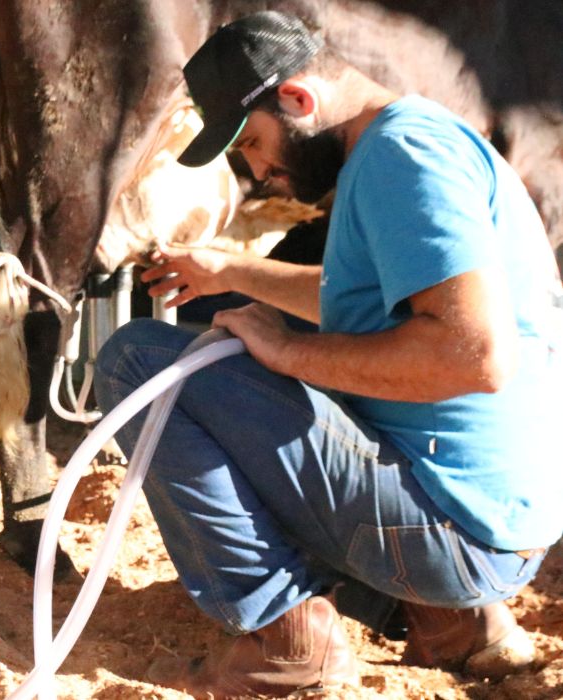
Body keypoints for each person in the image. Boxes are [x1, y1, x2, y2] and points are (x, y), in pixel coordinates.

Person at [94, 11, 563, 698]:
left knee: (137, 362)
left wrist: (286, 353)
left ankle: (288, 643)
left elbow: (474, 356)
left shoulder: (403, 159)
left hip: (455, 531)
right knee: (290, 372)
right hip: (493, 524)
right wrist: (229, 271)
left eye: (254, 144)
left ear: (299, 101)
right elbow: (365, 300)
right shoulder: (412, 141)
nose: (259, 172)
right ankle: (450, 623)